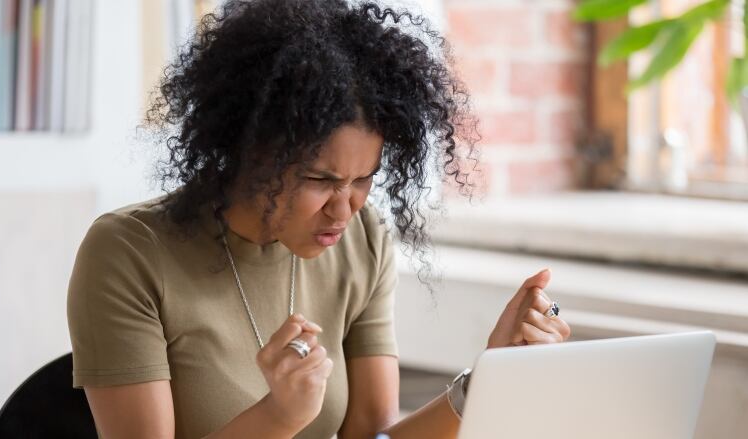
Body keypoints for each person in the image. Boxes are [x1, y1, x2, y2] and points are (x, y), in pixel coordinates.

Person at [66, 0, 571, 438]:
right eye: (320, 180)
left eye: (363, 179)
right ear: (249, 150)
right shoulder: (129, 252)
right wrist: (279, 417)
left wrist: (484, 382)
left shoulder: (363, 241)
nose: (344, 207)